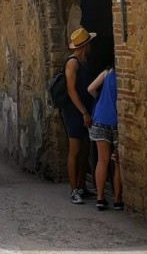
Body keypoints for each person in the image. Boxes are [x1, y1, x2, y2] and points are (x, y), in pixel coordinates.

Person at [62, 27, 96, 204]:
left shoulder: (83, 62)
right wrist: (83, 112)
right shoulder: (72, 63)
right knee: (74, 150)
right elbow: (70, 90)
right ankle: (74, 189)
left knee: (84, 149)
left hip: (84, 109)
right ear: (86, 45)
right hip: (74, 110)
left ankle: (82, 185)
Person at [88, 67, 123, 211]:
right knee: (118, 161)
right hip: (116, 122)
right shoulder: (122, 77)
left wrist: (100, 99)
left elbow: (90, 89)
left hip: (100, 118)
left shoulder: (106, 72)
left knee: (102, 161)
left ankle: (100, 198)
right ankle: (117, 199)